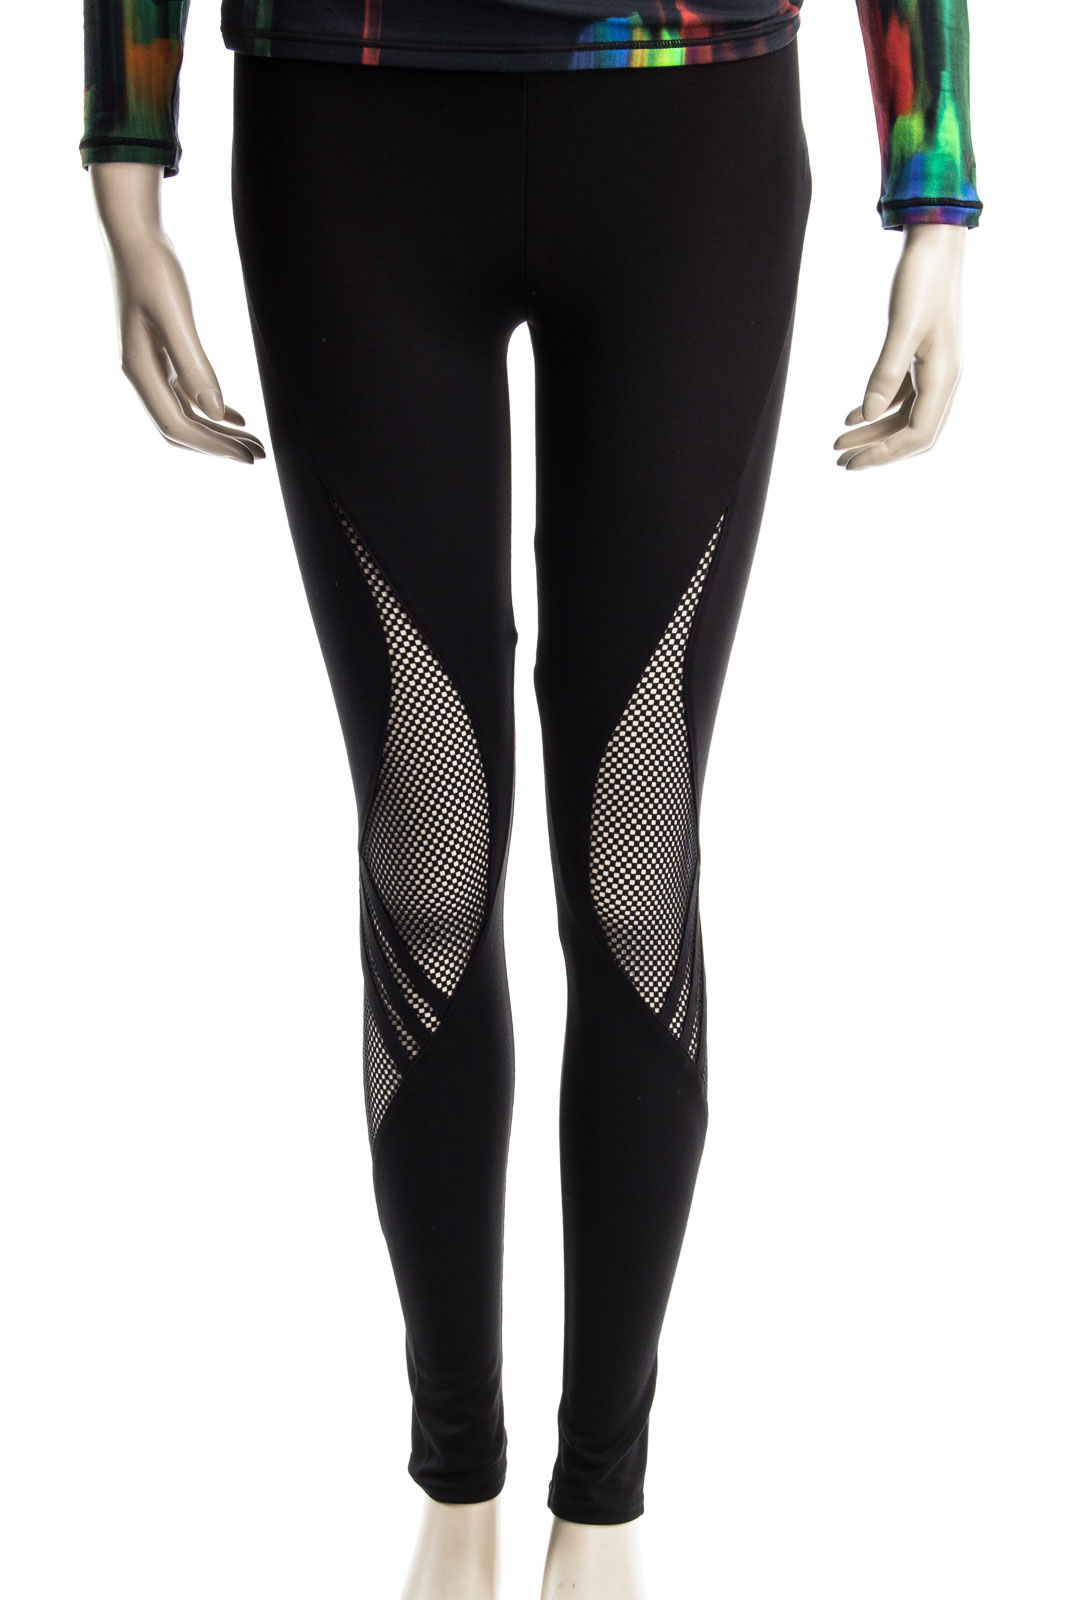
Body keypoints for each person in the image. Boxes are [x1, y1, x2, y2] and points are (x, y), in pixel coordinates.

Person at [79, 5, 982, 1596]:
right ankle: (458, 1482)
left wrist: (936, 179)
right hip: (347, 113)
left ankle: (603, 1507)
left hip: (687, 117)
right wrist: (126, 154)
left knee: (636, 864)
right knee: (425, 860)